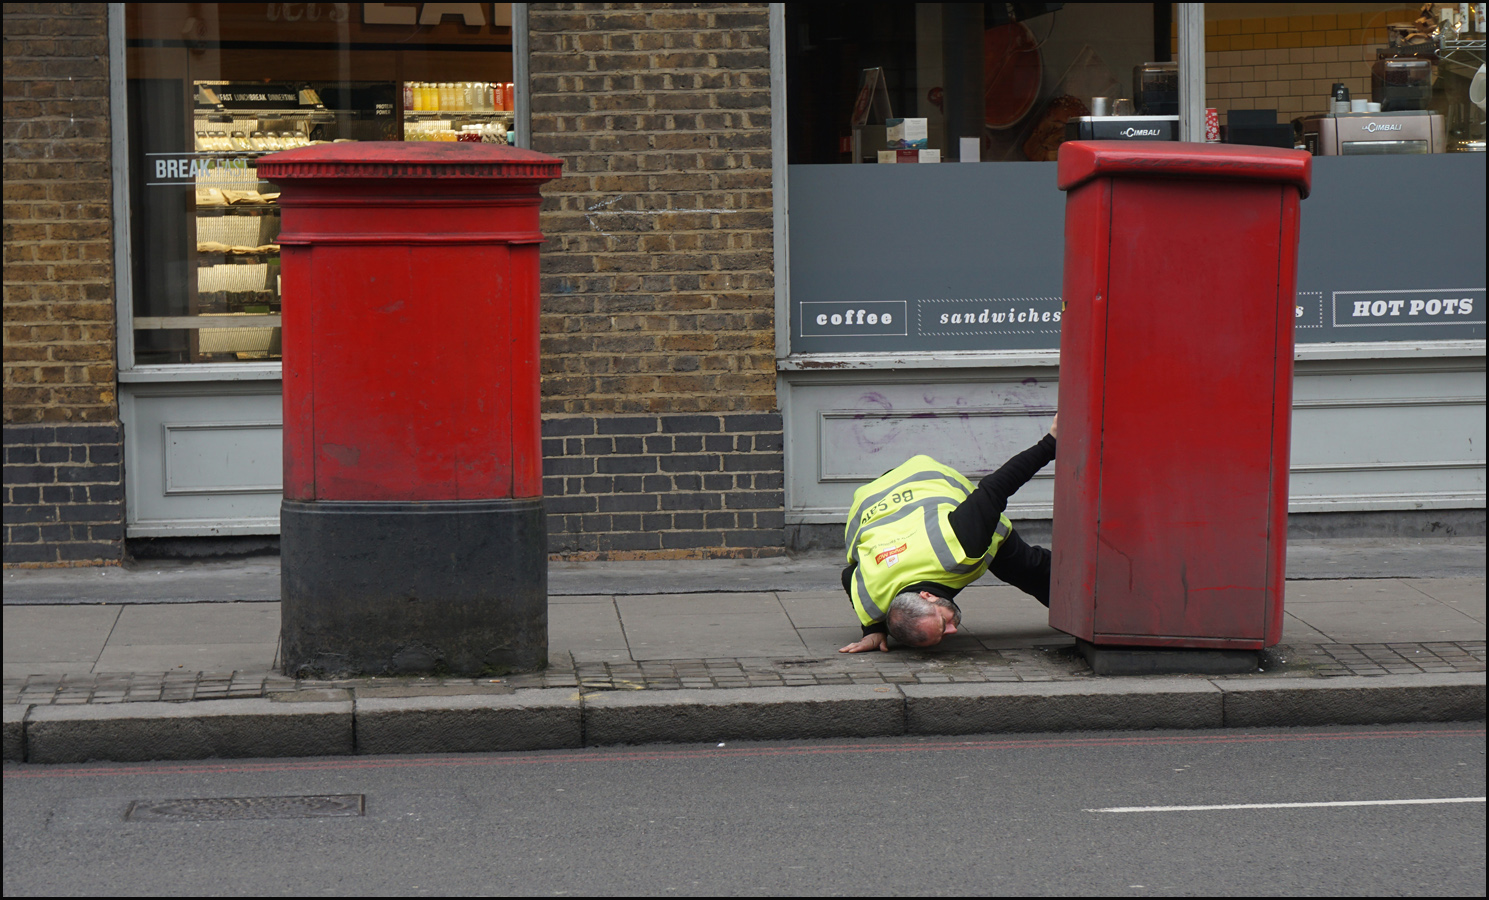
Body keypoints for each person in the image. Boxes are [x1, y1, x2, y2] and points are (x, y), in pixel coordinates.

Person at [838, 415, 1057, 653]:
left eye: (943, 625)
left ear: (927, 596)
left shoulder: (959, 543)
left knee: (1033, 570)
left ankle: (1095, 610)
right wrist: (873, 629)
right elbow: (850, 575)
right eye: (943, 634)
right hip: (872, 500)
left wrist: (1051, 442)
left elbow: (996, 487)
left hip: (923, 479)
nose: (953, 630)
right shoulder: (872, 597)